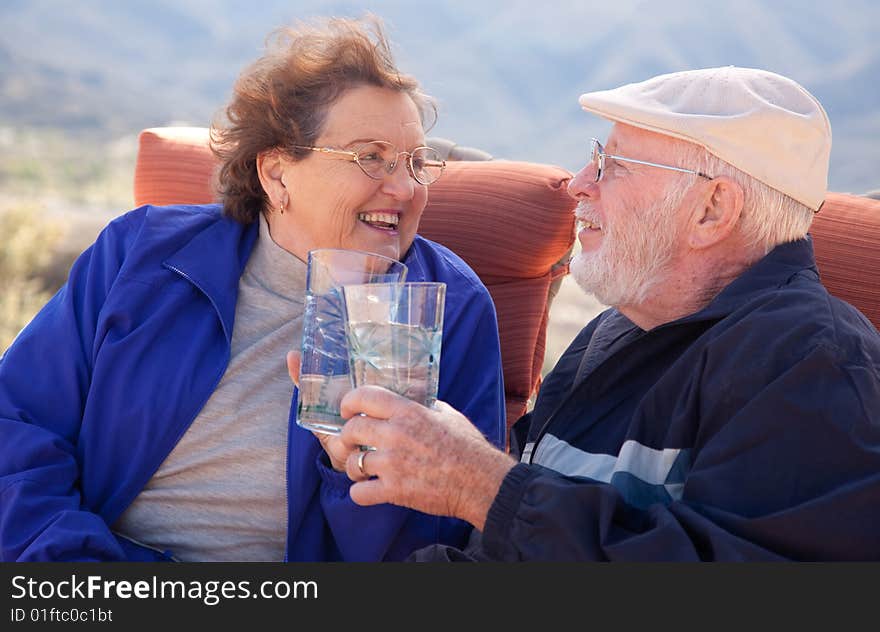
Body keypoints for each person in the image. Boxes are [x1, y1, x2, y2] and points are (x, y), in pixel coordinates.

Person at [0, 16, 505, 562]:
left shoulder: (449, 306)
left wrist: (353, 472)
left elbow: (431, 551)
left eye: (415, 163)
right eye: (370, 157)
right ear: (277, 174)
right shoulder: (141, 254)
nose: (405, 187)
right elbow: (17, 426)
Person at [332, 66, 880, 561]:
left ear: (712, 209)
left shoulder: (815, 368)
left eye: (612, 165)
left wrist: (478, 485)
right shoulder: (621, 329)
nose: (579, 184)